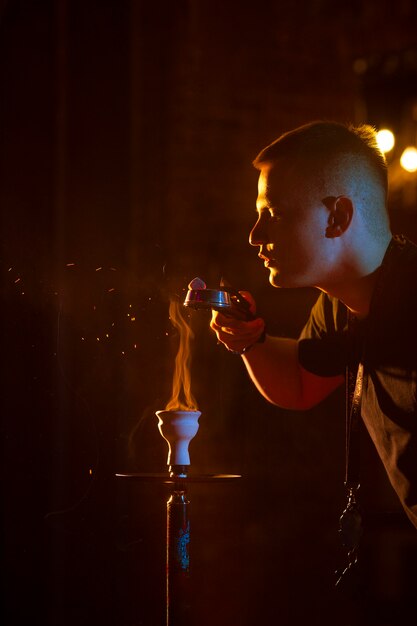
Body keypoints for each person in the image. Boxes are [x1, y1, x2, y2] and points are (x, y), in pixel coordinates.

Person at [210, 121, 417, 529]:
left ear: (337, 217)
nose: (255, 236)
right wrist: (252, 340)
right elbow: (301, 384)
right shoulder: (339, 305)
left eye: (274, 213)